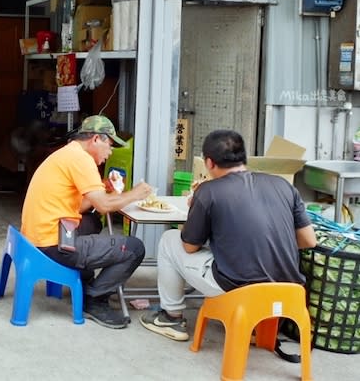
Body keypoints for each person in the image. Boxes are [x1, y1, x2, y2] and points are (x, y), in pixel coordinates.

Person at [140, 129, 317, 341]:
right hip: (289, 288)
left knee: (169, 241)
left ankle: (171, 317)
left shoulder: (208, 191)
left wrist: (197, 206)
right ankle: (254, 325)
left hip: (237, 288)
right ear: (244, 157)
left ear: (209, 163)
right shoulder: (283, 185)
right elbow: (309, 240)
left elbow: (189, 247)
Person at [20, 115, 155, 329]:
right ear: (95, 140)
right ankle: (94, 299)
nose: (110, 153)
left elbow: (82, 206)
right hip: (53, 243)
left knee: (93, 221)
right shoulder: (81, 160)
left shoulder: (68, 153)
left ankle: (84, 275)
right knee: (134, 248)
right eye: (109, 146)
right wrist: (135, 194)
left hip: (37, 236)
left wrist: (104, 189)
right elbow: (103, 205)